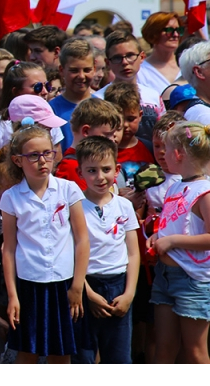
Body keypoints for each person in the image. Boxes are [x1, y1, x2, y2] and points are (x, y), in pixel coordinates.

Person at [0, 124, 89, 364]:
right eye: (33, 155)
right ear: (18, 160)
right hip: (29, 284)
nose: (42, 161)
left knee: (61, 353)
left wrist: (77, 286)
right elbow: (8, 249)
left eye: (47, 153)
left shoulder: (68, 189)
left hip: (64, 284)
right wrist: (12, 295)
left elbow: (82, 239)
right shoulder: (11, 197)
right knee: (27, 352)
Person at [148, 122, 210, 364]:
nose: (161, 153)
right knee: (164, 348)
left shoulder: (204, 191)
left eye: (166, 148)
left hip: (192, 281)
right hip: (165, 276)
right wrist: (158, 237)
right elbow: (170, 224)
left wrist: (172, 241)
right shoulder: (175, 185)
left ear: (178, 154)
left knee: (195, 352)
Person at [75, 136, 140, 364]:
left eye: (106, 169)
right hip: (86, 286)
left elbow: (133, 253)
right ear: (80, 173)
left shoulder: (124, 205)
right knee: (83, 358)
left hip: (119, 287)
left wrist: (129, 294)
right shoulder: (74, 208)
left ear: (117, 169)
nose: (100, 177)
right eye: (92, 170)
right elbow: (70, 254)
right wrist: (88, 294)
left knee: (119, 358)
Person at [0, 61, 64, 162]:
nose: (45, 92)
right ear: (16, 92)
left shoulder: (48, 117)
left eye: (47, 86)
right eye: (37, 87)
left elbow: (57, 155)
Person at [96, 30, 164, 142]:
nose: (124, 62)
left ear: (142, 57)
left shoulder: (154, 96)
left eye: (130, 55)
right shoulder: (98, 99)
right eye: (117, 58)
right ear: (108, 63)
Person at [53, 98, 122, 190]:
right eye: (107, 135)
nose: (113, 140)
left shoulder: (99, 161)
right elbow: (91, 202)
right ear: (86, 131)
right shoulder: (72, 167)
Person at [48, 38, 96, 150]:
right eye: (74, 71)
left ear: (94, 68)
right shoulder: (50, 111)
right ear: (61, 70)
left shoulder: (104, 107)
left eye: (87, 70)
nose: (81, 76)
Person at [137, 13, 184, 94]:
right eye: (169, 30)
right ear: (153, 34)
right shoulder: (140, 71)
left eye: (179, 30)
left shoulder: (187, 65)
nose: (176, 35)